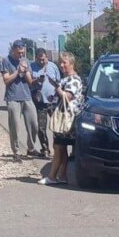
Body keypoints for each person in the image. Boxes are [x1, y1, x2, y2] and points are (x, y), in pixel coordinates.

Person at [39, 52, 85, 185]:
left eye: (64, 63)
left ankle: (52, 176)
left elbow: (67, 96)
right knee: (61, 147)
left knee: (58, 146)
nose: (62, 65)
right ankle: (62, 176)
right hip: (63, 116)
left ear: (72, 64)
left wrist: (56, 86)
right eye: (61, 62)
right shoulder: (66, 78)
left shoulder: (74, 79)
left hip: (67, 118)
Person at [1, 40, 40, 161]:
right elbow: (6, 80)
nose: (21, 55)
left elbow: (29, 81)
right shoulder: (6, 61)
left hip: (27, 96)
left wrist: (37, 81)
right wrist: (18, 71)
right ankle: (16, 151)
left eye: (23, 52)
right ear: (13, 50)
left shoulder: (25, 61)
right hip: (13, 98)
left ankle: (31, 148)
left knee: (34, 124)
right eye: (19, 53)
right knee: (15, 127)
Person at [30, 48, 61, 158]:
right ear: (36, 58)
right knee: (41, 128)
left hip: (53, 101)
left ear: (47, 57)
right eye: (40, 60)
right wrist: (37, 81)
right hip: (40, 102)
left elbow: (59, 82)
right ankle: (45, 149)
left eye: (43, 59)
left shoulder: (53, 67)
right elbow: (29, 83)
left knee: (56, 128)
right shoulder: (32, 67)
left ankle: (57, 150)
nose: (42, 62)